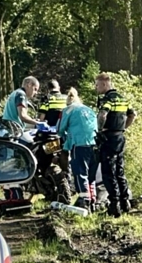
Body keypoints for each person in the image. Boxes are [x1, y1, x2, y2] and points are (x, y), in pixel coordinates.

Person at [94, 72, 135, 217]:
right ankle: (125, 202)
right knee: (120, 170)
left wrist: (100, 130)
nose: (96, 88)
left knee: (108, 172)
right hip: (120, 137)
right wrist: (123, 128)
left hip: (108, 137)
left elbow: (102, 115)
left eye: (97, 85)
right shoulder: (123, 99)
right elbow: (132, 114)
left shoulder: (107, 99)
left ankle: (114, 205)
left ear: (105, 84)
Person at [57, 87, 98, 209]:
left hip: (79, 144)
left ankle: (84, 200)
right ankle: (93, 199)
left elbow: (60, 129)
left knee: (80, 172)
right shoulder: (88, 109)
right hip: (95, 143)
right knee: (91, 174)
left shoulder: (68, 110)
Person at [1, 76, 39, 200]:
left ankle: (11, 193)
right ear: (28, 84)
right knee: (32, 148)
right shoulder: (21, 95)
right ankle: (18, 190)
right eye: (35, 89)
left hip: (9, 131)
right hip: (14, 132)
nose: (35, 93)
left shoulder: (14, 93)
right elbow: (22, 116)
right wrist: (38, 123)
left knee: (11, 162)